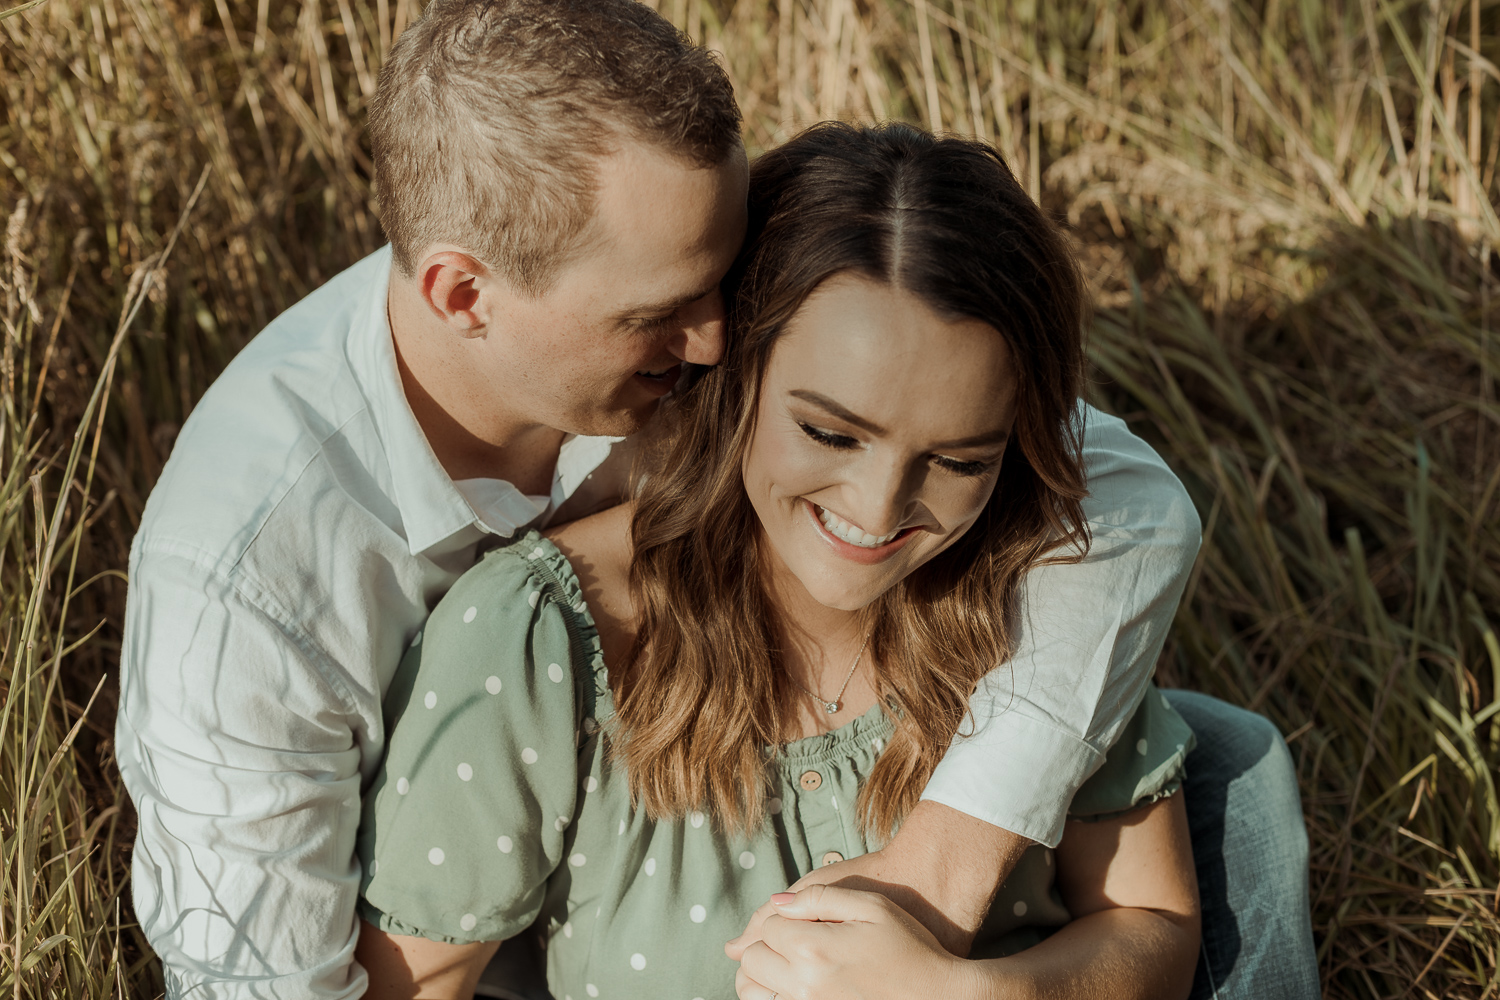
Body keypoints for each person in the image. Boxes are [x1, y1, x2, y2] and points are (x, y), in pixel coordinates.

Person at [114, 2, 1316, 998]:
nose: (714, 341)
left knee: (1233, 777)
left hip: (786, 772)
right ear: (465, 296)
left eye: (728, 285)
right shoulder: (248, 586)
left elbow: (1123, 496)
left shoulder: (703, 322)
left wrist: (944, 899)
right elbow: (262, 974)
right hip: (533, 835)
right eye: (662, 315)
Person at [351, 121, 1205, 1000]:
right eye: (829, 432)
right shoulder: (537, 641)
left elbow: (1155, 927)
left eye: (958, 461)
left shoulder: (1052, 594)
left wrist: (975, 995)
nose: (879, 510)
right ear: (737, 372)